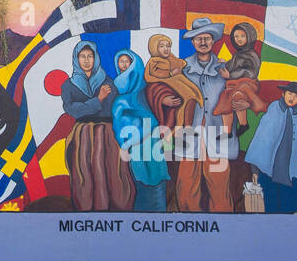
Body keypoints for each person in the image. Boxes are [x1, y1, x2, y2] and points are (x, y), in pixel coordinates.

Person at [61, 40, 135, 212]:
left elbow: (110, 107)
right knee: (84, 173)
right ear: (76, 59)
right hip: (83, 135)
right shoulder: (69, 85)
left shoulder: (107, 81)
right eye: (82, 56)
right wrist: (98, 100)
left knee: (112, 172)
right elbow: (73, 110)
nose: (86, 60)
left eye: (90, 56)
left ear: (95, 58)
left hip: (107, 133)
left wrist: (90, 105)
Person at [175, 17, 238, 212]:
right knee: (186, 189)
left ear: (213, 41)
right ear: (192, 42)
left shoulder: (225, 68)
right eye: (198, 39)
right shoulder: (182, 68)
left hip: (218, 134)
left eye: (207, 38)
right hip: (189, 134)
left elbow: (240, 92)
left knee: (220, 189)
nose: (203, 43)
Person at [246, 81, 297, 213]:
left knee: (289, 206)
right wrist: (255, 170)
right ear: (283, 94)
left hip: (289, 169)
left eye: (296, 96)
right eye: (290, 94)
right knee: (271, 205)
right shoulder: (273, 110)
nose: (292, 98)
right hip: (269, 168)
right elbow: (260, 140)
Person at [111, 49, 170, 212]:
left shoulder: (146, 92)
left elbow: (154, 114)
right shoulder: (120, 99)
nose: (123, 65)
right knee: (140, 185)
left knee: (156, 185)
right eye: (120, 61)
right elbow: (120, 123)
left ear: (134, 64)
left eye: (126, 61)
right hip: (134, 147)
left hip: (153, 144)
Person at [212, 22, 266, 135]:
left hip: (248, 84)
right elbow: (232, 65)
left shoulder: (252, 55)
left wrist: (230, 76)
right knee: (225, 97)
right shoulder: (238, 54)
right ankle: (227, 131)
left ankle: (243, 123)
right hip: (235, 84)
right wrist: (225, 64)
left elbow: (250, 73)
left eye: (242, 36)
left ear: (249, 37)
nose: (239, 39)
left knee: (237, 95)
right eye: (236, 36)